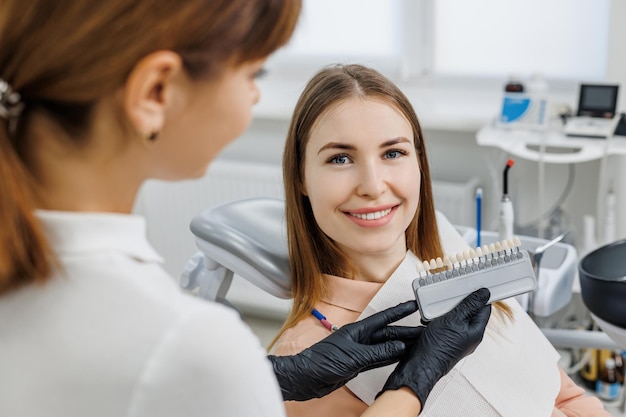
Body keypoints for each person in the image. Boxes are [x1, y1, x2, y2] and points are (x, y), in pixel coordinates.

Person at [0, 2, 492, 417]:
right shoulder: (193, 344)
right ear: (156, 92)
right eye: (251, 71)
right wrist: (411, 385)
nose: (254, 94)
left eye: (394, 152)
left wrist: (272, 379)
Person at [273, 63, 611, 417]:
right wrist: (415, 381)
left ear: (419, 163)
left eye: (393, 153)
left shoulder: (448, 251)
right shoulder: (307, 358)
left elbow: (564, 396)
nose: (372, 186)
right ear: (300, 178)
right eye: (340, 158)